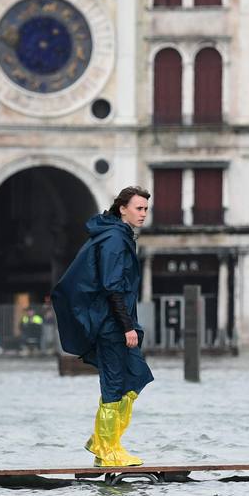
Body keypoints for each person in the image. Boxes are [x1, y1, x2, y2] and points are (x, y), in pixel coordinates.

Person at [51, 186, 154, 468]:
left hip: (117, 323)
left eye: (146, 209)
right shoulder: (114, 240)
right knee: (115, 384)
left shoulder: (120, 236)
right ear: (123, 208)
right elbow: (112, 286)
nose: (143, 214)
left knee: (136, 377)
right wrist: (127, 327)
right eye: (138, 208)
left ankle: (102, 441)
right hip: (111, 325)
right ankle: (107, 450)